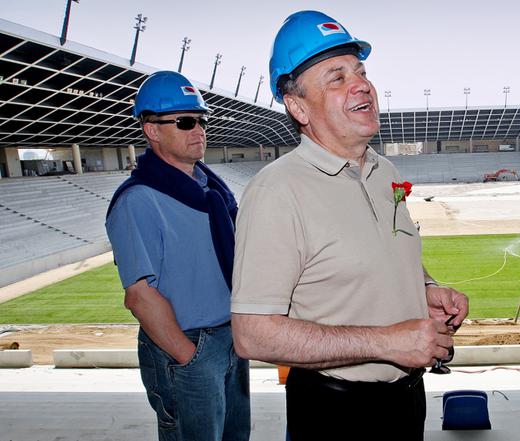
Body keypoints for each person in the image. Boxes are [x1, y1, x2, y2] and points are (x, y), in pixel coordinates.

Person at [231, 11, 469, 440]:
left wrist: (426, 289)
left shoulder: (385, 172)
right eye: (337, 77)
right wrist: (386, 343)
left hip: (407, 400)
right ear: (298, 106)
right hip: (334, 412)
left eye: (361, 72)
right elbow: (252, 335)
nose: (361, 85)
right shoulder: (276, 192)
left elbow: (386, 252)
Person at [105, 71, 250, 441]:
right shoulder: (138, 200)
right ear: (152, 130)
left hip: (230, 338)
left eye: (201, 120)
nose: (198, 130)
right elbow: (139, 295)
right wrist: (190, 357)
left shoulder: (212, 191)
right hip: (188, 346)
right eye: (185, 122)